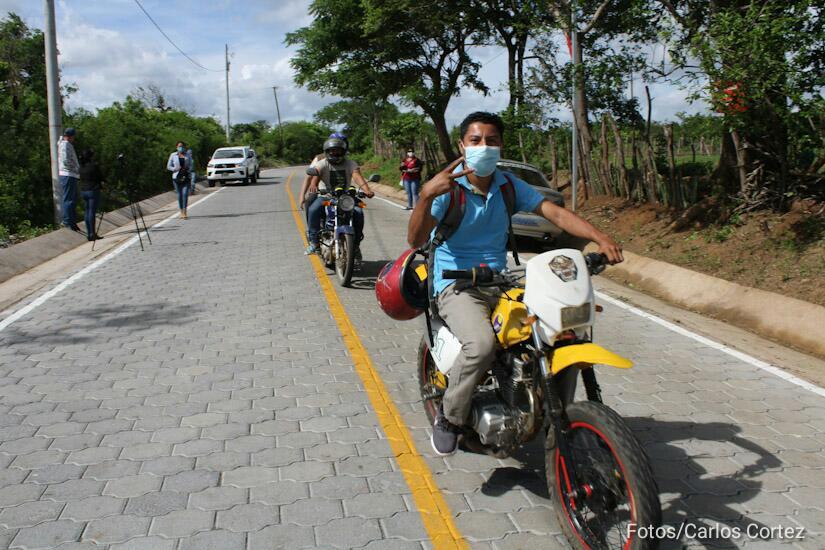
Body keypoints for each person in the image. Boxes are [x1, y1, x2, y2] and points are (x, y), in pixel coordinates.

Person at [407, 111, 624, 456]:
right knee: (480, 344)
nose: (484, 147)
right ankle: (449, 418)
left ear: (500, 145)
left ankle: (535, 400)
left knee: (556, 328)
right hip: (455, 283)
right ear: (462, 145)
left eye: (491, 141)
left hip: (500, 278)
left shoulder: (508, 185)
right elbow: (415, 238)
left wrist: (600, 236)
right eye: (476, 140)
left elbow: (553, 213)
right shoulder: (448, 188)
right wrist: (425, 196)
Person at [304, 137, 375, 255]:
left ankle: (356, 245)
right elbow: (316, 173)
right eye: (332, 151)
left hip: (346, 197)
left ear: (343, 151)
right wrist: (313, 185)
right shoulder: (322, 163)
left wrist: (367, 190)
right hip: (326, 196)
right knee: (313, 209)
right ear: (327, 152)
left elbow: (357, 176)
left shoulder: (350, 163)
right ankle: (314, 242)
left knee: (358, 212)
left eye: (338, 150)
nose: (335, 153)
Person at [58, 127, 81, 231]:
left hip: (71, 174)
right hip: (68, 174)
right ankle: (68, 220)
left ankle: (72, 220)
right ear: (70, 136)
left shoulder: (66, 144)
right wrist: (76, 168)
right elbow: (66, 160)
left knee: (73, 198)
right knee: (69, 199)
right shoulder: (65, 144)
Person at [78, 150, 104, 241]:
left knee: (87, 211)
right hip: (93, 190)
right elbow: (101, 177)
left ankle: (89, 233)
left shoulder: (81, 167)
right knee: (92, 212)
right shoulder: (93, 166)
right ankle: (93, 233)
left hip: (83, 191)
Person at [167, 141, 192, 219]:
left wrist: (188, 169)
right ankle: (181, 211)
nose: (181, 148)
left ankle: (185, 212)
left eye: (182, 146)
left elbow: (191, 165)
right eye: (179, 146)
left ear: (184, 147)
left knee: (185, 194)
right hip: (176, 177)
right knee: (180, 195)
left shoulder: (188, 155)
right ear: (176, 147)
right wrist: (175, 168)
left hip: (186, 176)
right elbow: (168, 166)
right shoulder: (173, 155)